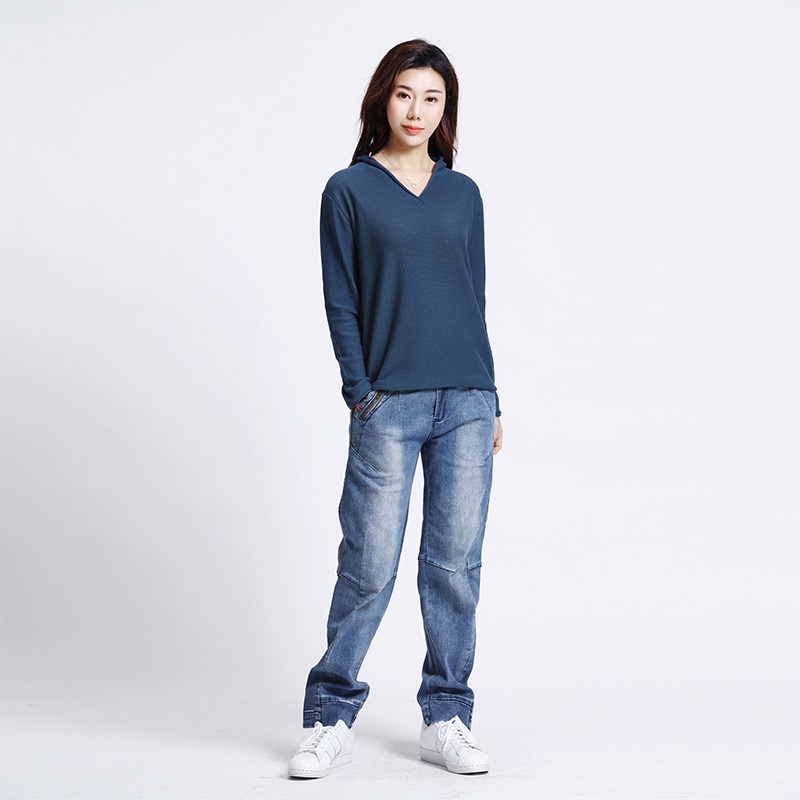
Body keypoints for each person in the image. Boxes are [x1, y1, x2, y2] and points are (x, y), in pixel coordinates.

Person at [288, 38, 503, 779]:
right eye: (405, 93)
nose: (417, 109)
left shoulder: (463, 194)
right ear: (383, 97)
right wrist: (361, 392)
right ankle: (329, 714)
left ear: (446, 109)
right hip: (389, 403)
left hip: (467, 401)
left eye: (432, 97)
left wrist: (493, 395)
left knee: (454, 569)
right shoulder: (349, 190)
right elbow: (341, 299)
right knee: (369, 566)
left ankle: (446, 715)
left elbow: (473, 299)